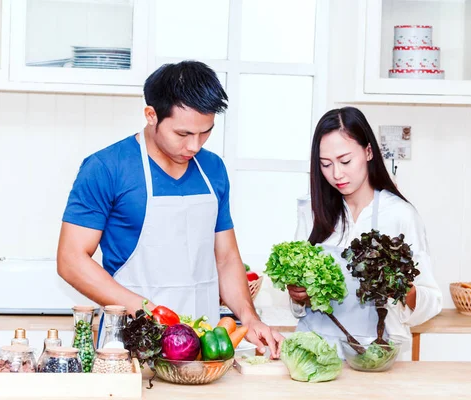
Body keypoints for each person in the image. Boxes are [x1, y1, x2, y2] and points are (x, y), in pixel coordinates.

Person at [57, 60, 283, 357]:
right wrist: (150, 313)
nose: (195, 146)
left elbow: (226, 258)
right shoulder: (106, 167)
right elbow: (71, 260)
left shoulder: (212, 169)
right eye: (183, 134)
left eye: (205, 133)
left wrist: (250, 317)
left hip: (204, 349)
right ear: (151, 115)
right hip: (131, 343)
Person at [288, 106, 442, 360]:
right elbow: (298, 303)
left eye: (345, 161)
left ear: (369, 151)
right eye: (325, 164)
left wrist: (403, 290)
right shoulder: (311, 212)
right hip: (314, 355)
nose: (336, 174)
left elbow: (431, 301)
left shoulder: (400, 215)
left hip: (376, 359)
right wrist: (297, 295)